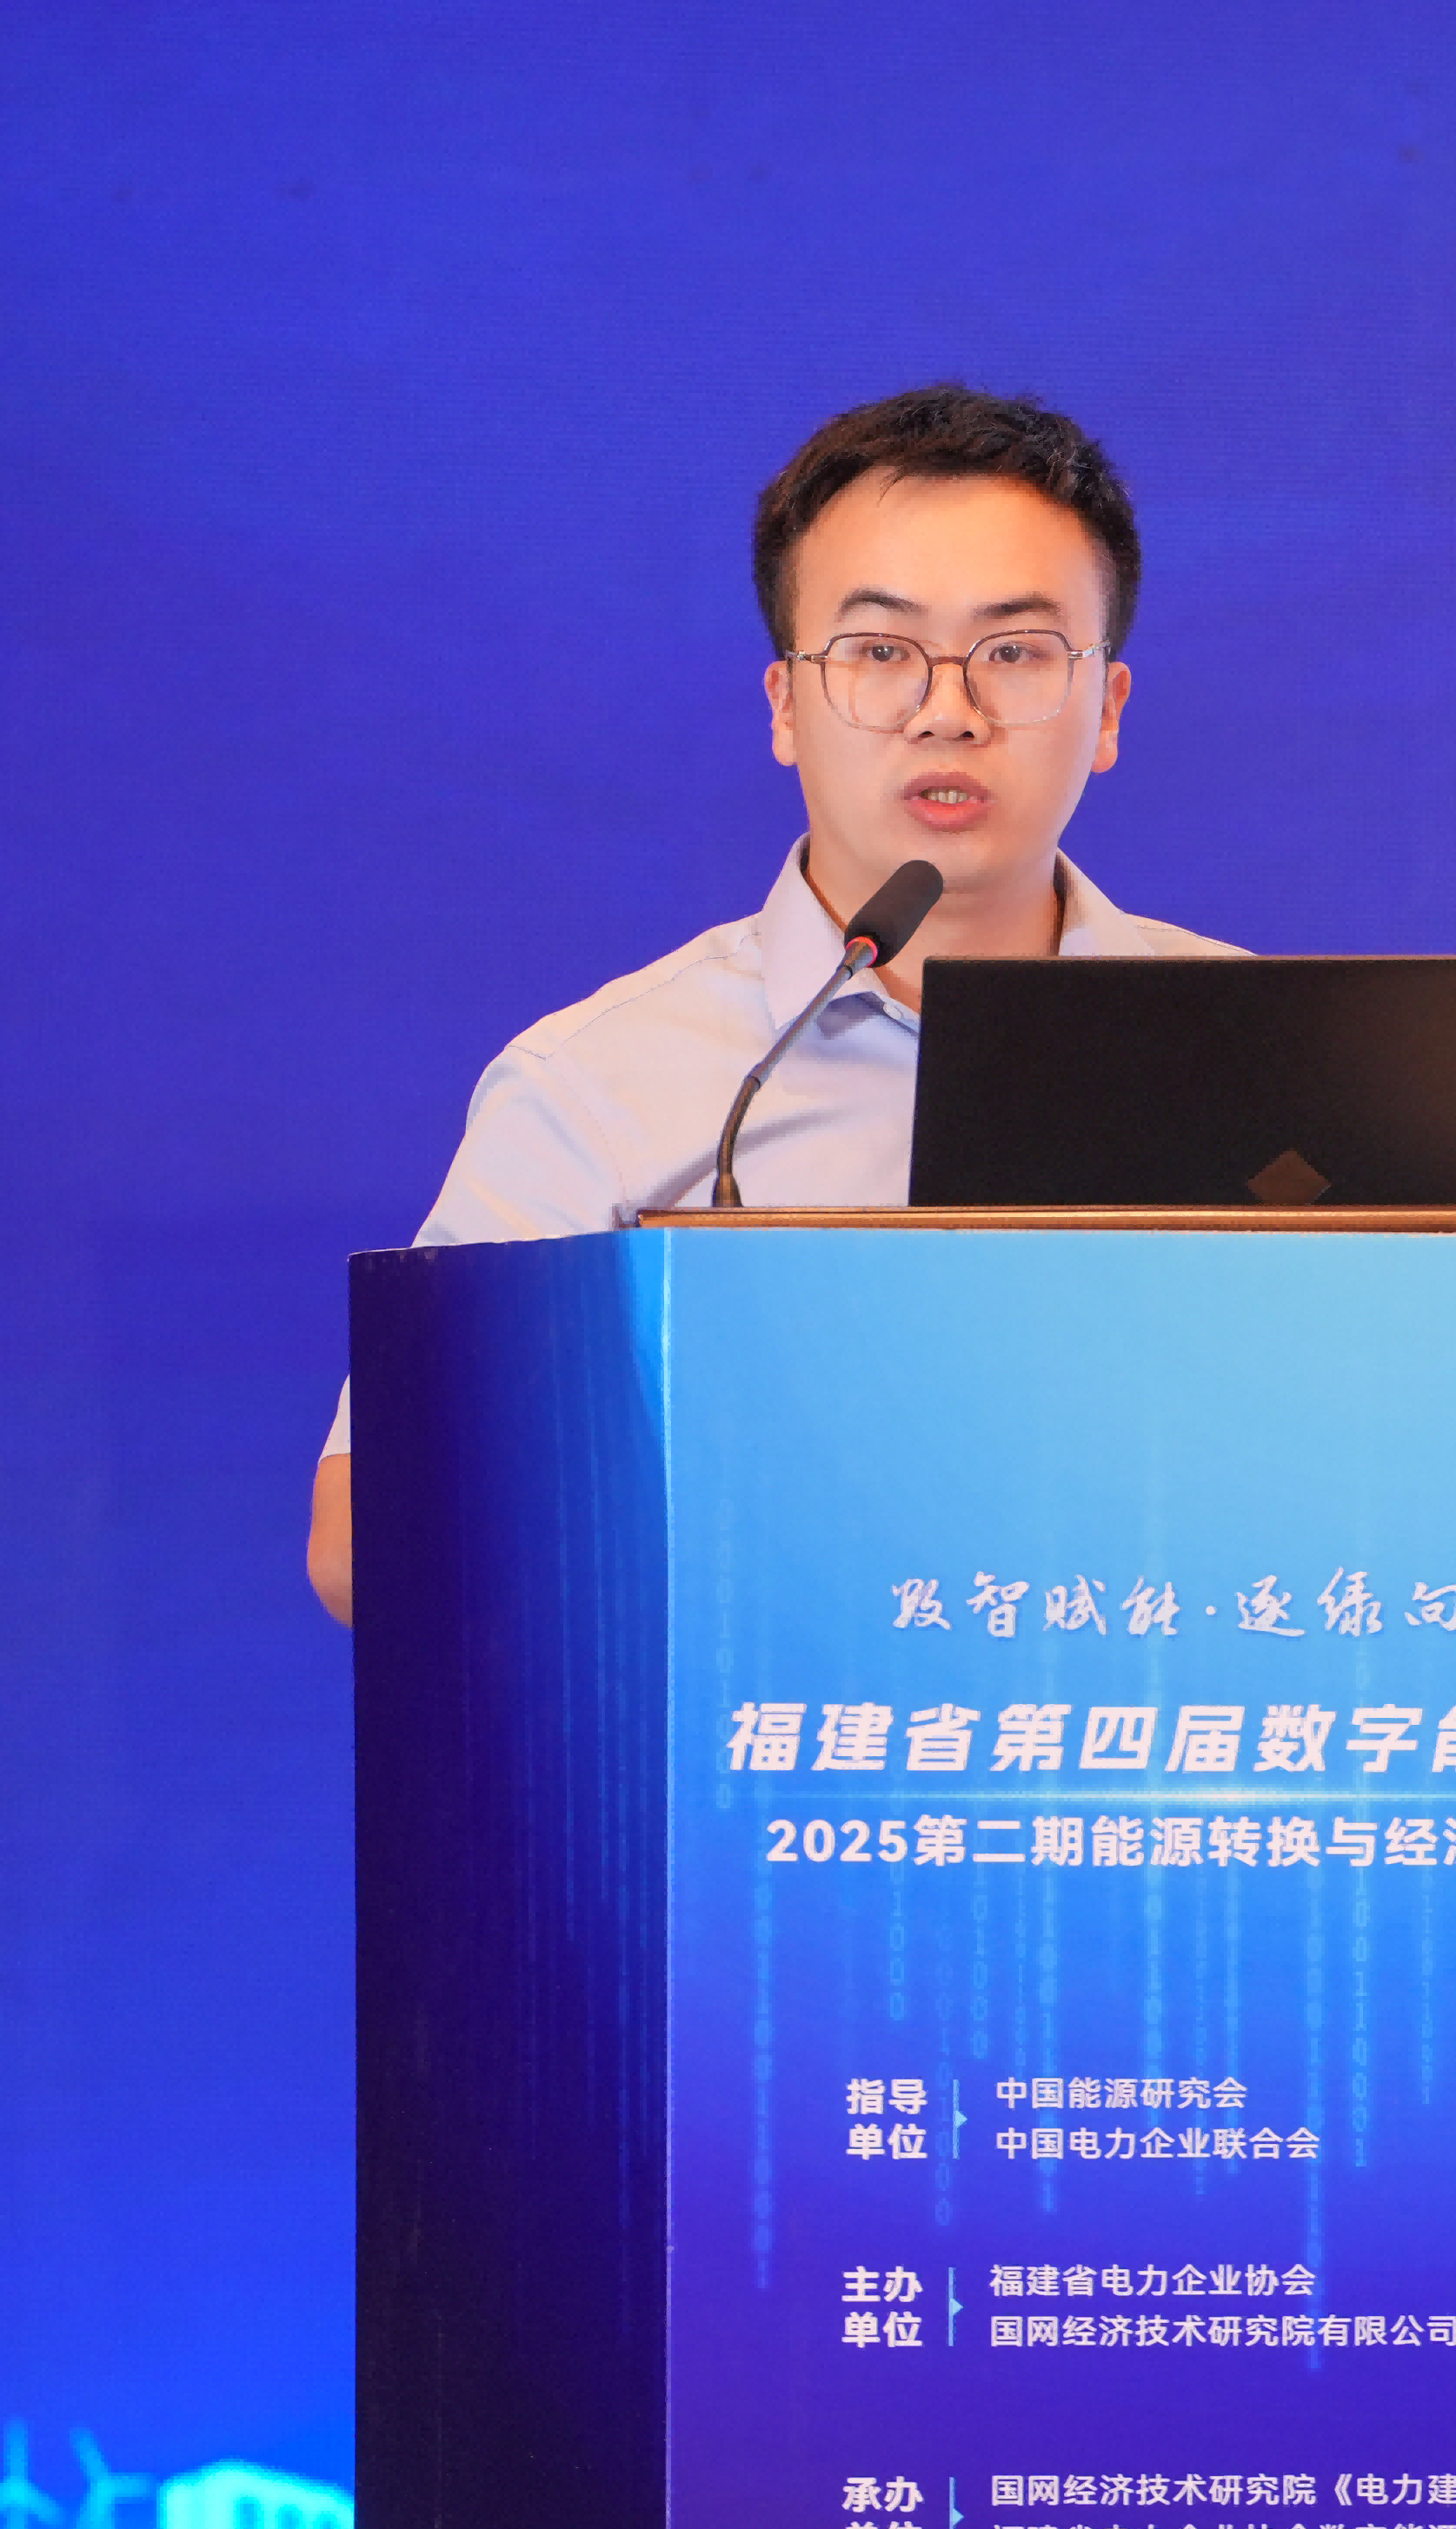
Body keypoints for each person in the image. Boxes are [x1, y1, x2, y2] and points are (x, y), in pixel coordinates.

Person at [305, 386, 1236, 1622]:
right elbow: (362, 1541)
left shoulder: (1256, 1048)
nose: (948, 710)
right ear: (786, 707)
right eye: (880, 653)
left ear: (1107, 709)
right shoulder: (600, 1090)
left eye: (1014, 652)